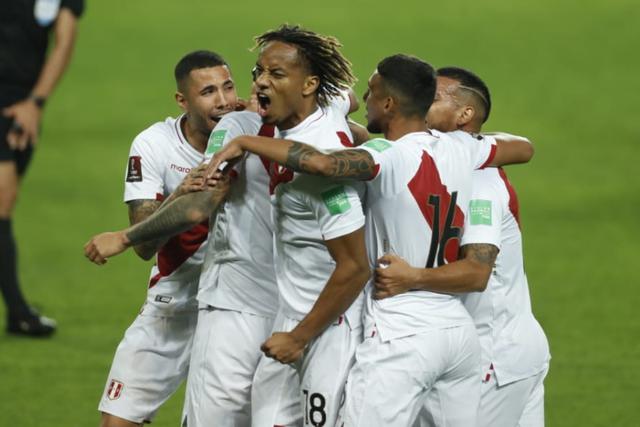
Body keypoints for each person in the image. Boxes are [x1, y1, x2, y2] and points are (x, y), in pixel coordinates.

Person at [208, 54, 534, 426]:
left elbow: (324, 164)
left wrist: (247, 143)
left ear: (389, 104)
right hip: (457, 334)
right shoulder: (462, 147)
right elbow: (523, 147)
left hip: (403, 331)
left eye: (372, 93)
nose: (365, 98)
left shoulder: (389, 155)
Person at [375, 66, 550, 427]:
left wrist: (411, 277)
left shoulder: (481, 183)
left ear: (464, 115)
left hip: (495, 357)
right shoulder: (451, 161)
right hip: (507, 351)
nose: (422, 105)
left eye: (434, 99)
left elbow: (476, 272)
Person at [96, 50, 237, 427]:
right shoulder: (155, 144)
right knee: (116, 422)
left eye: (227, 87)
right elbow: (145, 246)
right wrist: (180, 195)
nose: (222, 101)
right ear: (183, 100)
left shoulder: (252, 132)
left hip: (234, 308)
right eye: (208, 92)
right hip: (172, 302)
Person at [1, 0, 84, 336]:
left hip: (20, 108)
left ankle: (17, 313)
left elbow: (64, 42)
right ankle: (18, 312)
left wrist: (36, 102)